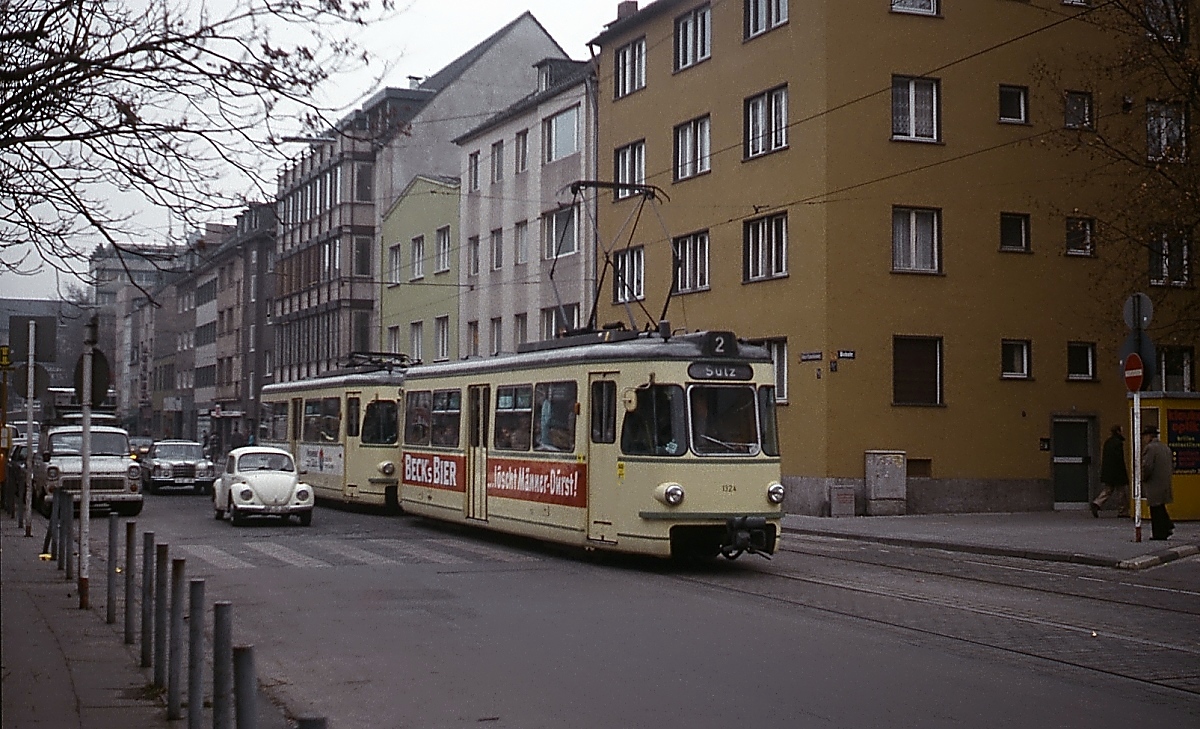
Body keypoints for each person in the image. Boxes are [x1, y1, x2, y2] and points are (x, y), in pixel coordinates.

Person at [1141, 424, 1175, 540]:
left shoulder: (1150, 448)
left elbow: (1147, 466)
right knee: (1160, 507)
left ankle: (1159, 533)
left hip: (1154, 482)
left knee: (1155, 510)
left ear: (1149, 436)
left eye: (1144, 436)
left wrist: (1143, 478)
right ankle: (1168, 526)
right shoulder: (1165, 447)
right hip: (1165, 482)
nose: (1143, 439)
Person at [1091, 424, 1130, 518]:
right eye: (1121, 430)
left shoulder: (1108, 442)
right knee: (1121, 492)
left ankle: (1097, 503)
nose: (1122, 432)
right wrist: (1123, 472)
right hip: (1117, 471)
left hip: (1108, 471)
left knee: (1108, 490)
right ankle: (1122, 511)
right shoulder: (1118, 443)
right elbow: (1119, 459)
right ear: (1118, 431)